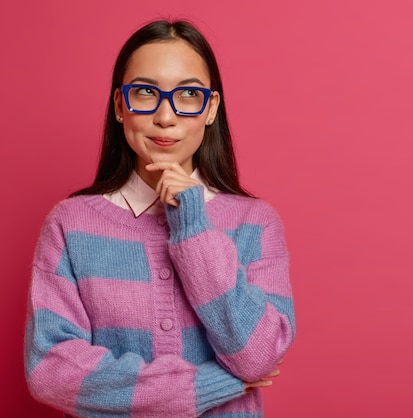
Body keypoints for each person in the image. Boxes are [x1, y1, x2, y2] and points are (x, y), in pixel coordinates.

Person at [24, 19, 295, 418]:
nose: (165, 116)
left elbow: (257, 355)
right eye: (146, 93)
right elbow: (50, 371)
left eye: (188, 94)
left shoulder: (255, 223)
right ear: (120, 106)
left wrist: (193, 225)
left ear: (211, 109)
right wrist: (219, 382)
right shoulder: (71, 224)